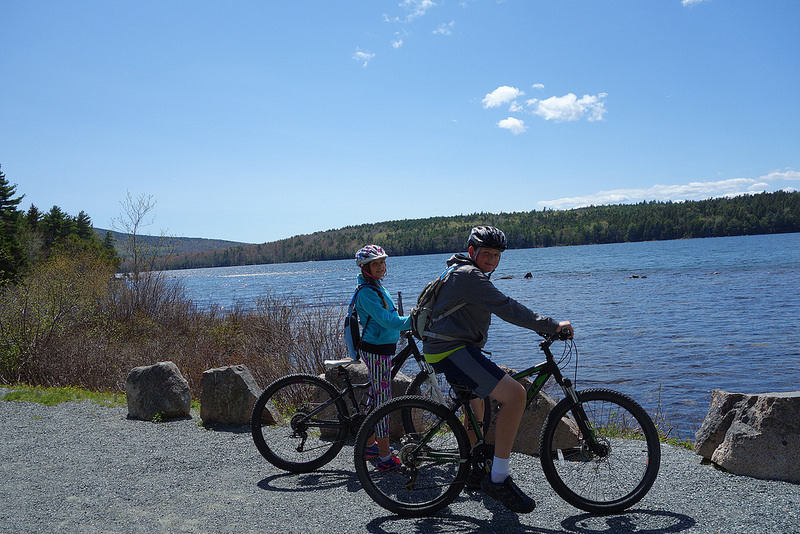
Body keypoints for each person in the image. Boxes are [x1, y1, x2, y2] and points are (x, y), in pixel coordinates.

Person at [422, 226, 573, 514]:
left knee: (477, 410)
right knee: (515, 395)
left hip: (448, 347)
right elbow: (507, 307)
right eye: (486, 254)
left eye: (496, 255)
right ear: (471, 252)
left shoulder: (458, 270)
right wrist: (552, 325)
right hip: (451, 350)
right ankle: (499, 478)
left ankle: (472, 470)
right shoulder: (468, 276)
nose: (491, 260)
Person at [353, 244, 411, 471]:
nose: (380, 267)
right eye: (375, 264)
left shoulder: (376, 287)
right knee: (382, 402)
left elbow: (391, 316)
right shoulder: (367, 292)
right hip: (376, 350)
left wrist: (408, 320)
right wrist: (413, 321)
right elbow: (387, 321)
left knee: (375, 393)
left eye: (382, 262)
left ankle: (368, 445)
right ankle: (384, 456)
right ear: (365, 268)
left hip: (383, 348)